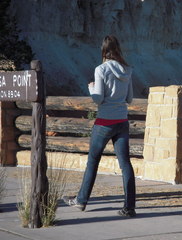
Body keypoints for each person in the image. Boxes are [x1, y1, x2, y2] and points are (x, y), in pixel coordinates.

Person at [63, 35, 136, 217]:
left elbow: (98, 99)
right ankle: (129, 207)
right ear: (118, 49)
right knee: (125, 164)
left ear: (103, 51)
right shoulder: (127, 70)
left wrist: (91, 88)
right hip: (122, 121)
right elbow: (129, 99)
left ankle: (81, 201)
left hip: (104, 122)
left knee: (92, 162)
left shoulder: (100, 69)